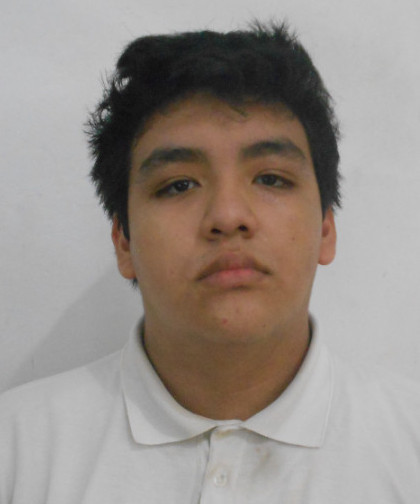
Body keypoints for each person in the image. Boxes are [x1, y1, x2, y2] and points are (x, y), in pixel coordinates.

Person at [1, 21, 420, 503]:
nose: (227, 216)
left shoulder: (408, 445)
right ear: (123, 242)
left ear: (326, 227)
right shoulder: (16, 452)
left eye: (271, 179)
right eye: (178, 185)